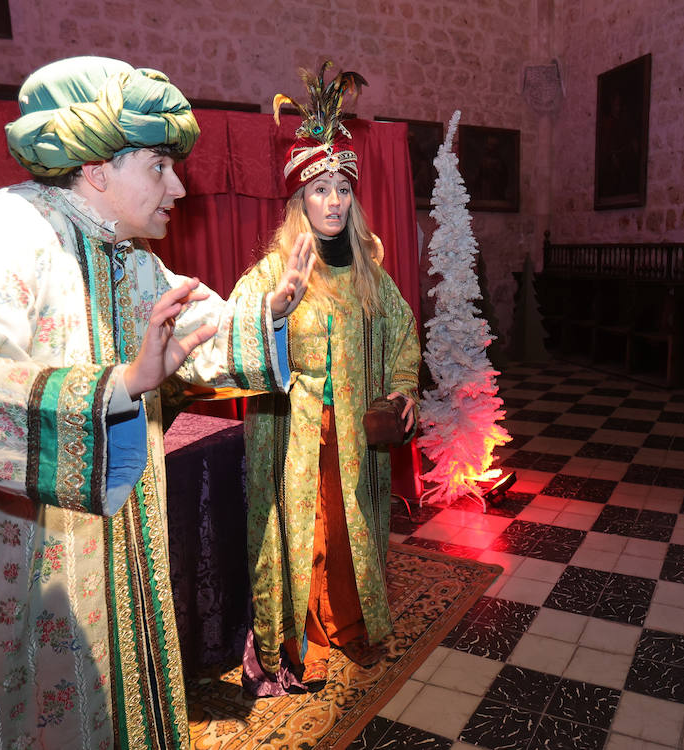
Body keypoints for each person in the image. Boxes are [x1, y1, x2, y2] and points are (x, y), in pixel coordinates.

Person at [0, 57, 312, 747]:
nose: (180, 187)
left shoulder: (122, 254)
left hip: (84, 552)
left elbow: (193, 331)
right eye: (159, 166)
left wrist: (265, 318)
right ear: (98, 168)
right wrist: (121, 386)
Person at [234, 64, 420, 696]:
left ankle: (348, 619)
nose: (334, 201)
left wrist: (403, 388)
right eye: (321, 189)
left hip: (357, 439)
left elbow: (401, 334)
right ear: (299, 200)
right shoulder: (271, 272)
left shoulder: (370, 270)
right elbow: (237, 335)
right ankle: (300, 638)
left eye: (344, 187)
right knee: (305, 532)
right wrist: (274, 311)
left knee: (351, 531)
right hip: (297, 440)